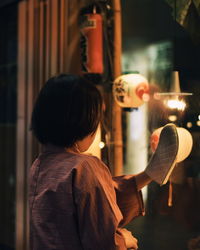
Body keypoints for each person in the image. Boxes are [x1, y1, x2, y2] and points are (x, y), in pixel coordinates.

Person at [29, 74, 179, 250]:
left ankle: (149, 174)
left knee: (101, 188)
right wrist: (124, 239)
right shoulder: (85, 167)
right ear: (85, 122)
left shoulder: (39, 165)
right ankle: (151, 173)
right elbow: (103, 241)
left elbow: (89, 199)